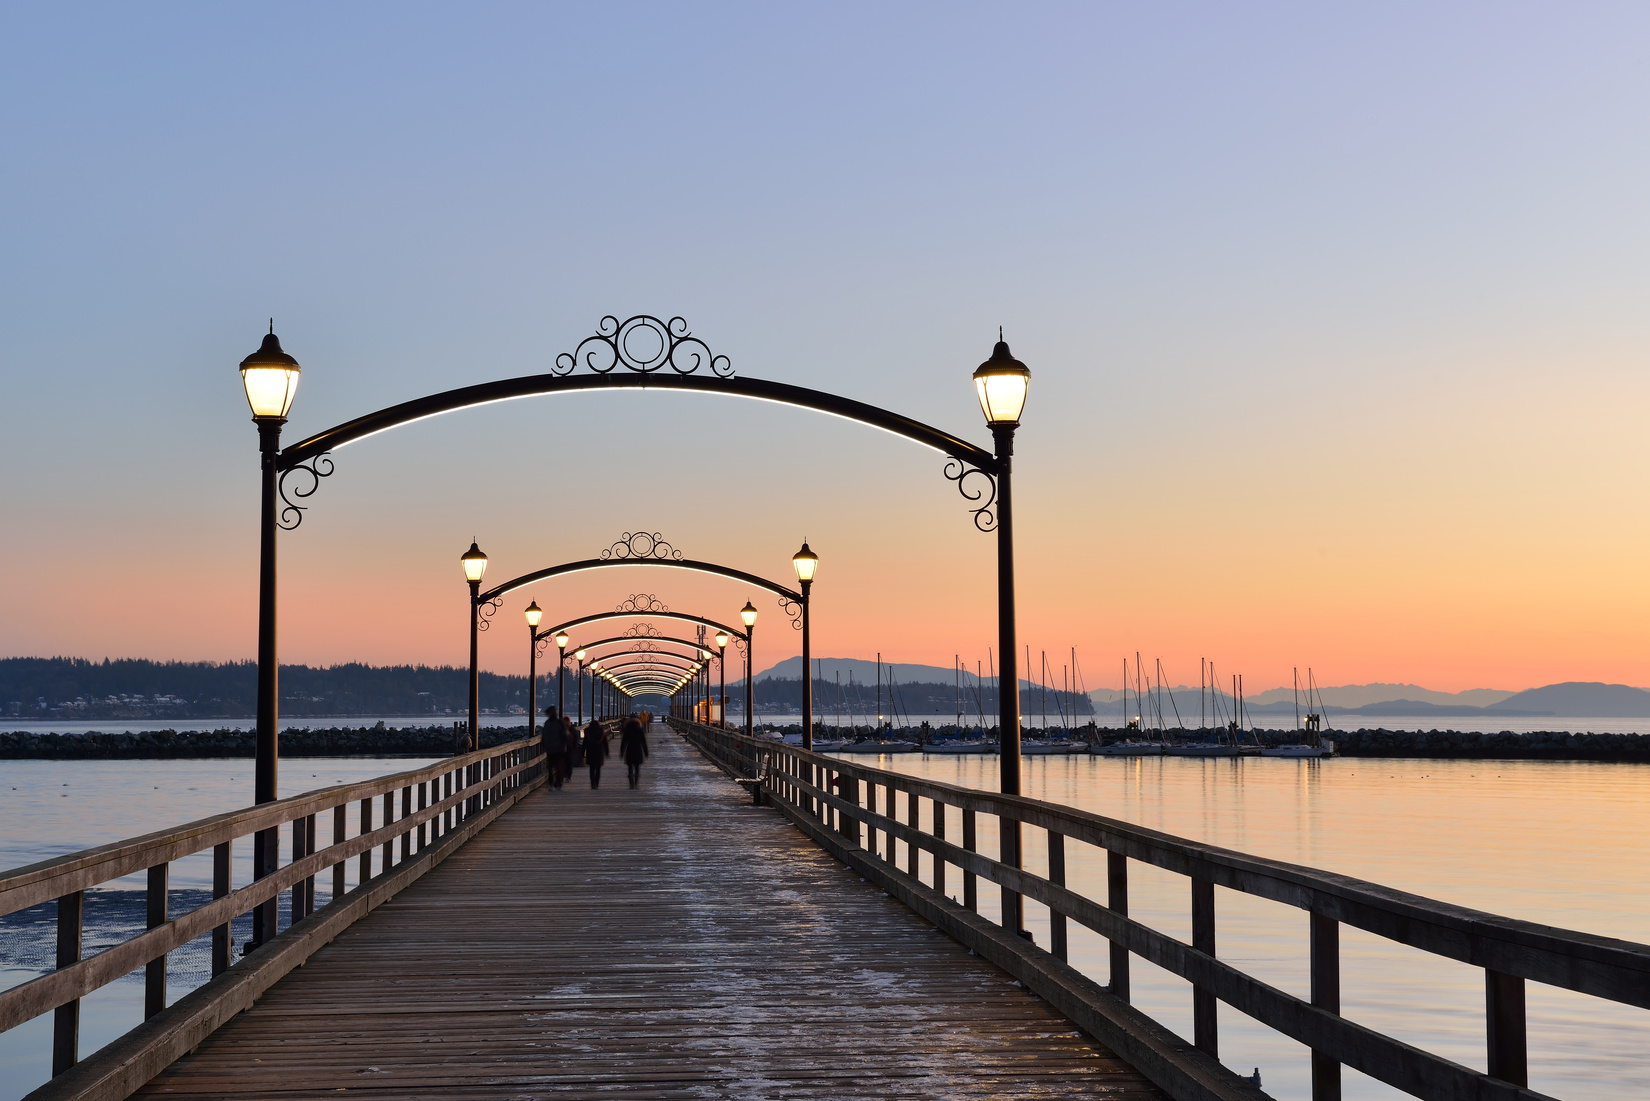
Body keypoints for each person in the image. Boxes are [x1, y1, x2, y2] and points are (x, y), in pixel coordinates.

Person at [619, 713, 649, 788]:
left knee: (630, 767)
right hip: (638, 750)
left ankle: (631, 784)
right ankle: (636, 783)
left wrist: (622, 752)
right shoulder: (640, 731)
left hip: (629, 750)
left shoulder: (627, 731)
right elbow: (643, 742)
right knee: (637, 767)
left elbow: (624, 743)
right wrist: (646, 752)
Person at [541, 706, 567, 789]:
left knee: (558, 767)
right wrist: (543, 744)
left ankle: (558, 783)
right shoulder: (547, 723)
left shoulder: (559, 723)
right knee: (550, 768)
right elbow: (544, 735)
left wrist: (563, 745)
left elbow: (565, 735)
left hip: (559, 749)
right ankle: (551, 783)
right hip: (550, 749)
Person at [582, 718, 608, 788]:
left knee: (592, 768)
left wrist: (582, 753)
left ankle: (592, 783)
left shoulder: (588, 732)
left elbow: (584, 743)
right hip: (599, 752)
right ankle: (596, 783)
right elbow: (605, 742)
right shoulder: (601, 731)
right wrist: (607, 752)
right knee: (598, 768)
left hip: (590, 751)